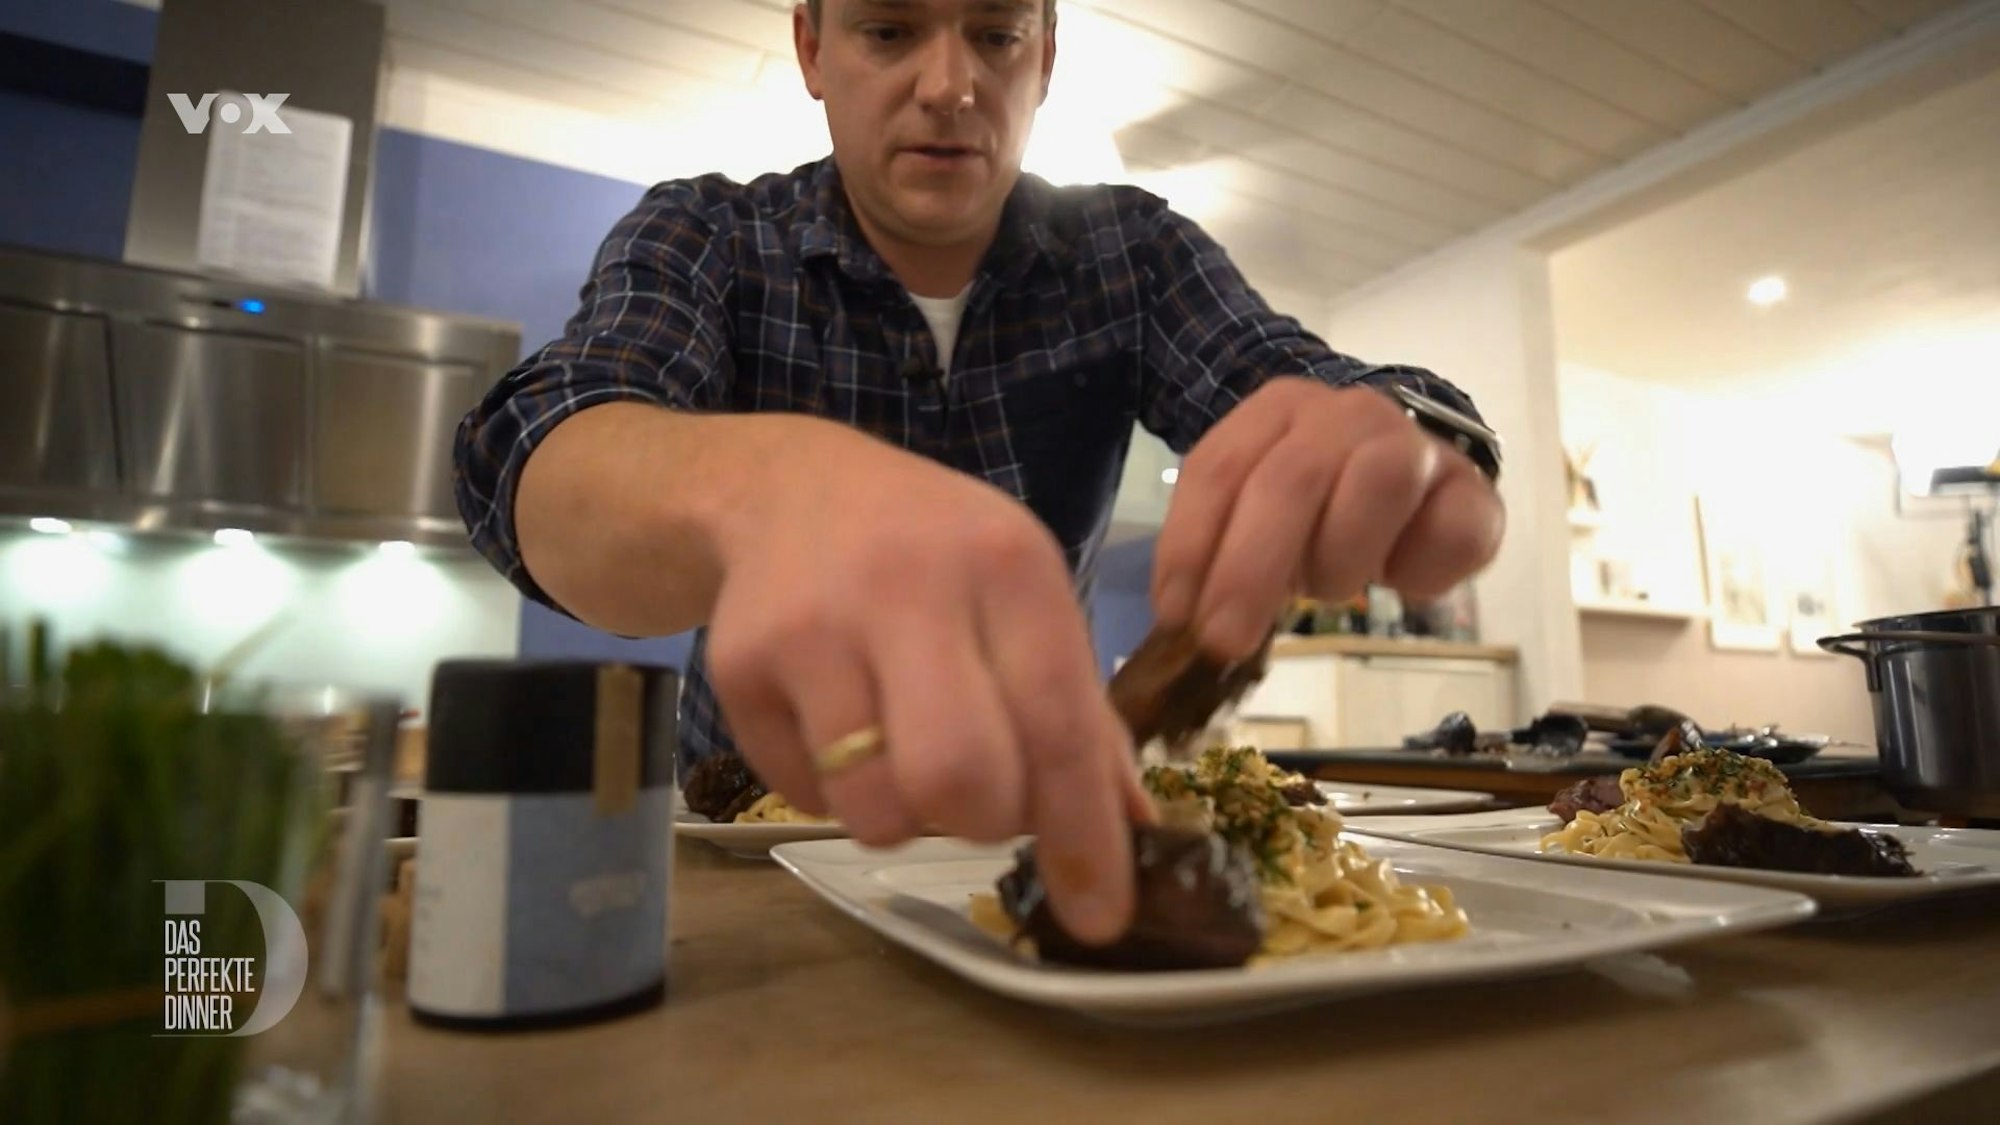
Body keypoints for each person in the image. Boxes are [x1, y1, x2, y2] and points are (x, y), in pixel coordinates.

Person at [452, 0, 1505, 947]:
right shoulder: (705, 236)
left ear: (1043, 55)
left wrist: (1408, 441)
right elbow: (537, 451)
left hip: (1044, 854)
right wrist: (763, 488)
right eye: (889, 30)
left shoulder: (1129, 254)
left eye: (995, 34)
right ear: (812, 47)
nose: (951, 85)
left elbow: (1319, 388)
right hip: (752, 874)